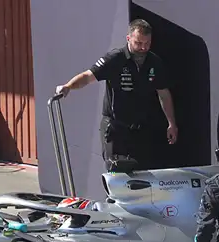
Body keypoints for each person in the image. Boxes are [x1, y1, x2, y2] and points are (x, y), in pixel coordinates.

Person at [55, 19, 177, 171]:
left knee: (142, 175)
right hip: (115, 128)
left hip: (140, 129)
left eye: (147, 43)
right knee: (117, 173)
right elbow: (88, 76)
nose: (143, 48)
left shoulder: (154, 62)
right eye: (138, 43)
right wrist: (68, 86)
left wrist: (171, 123)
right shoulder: (115, 58)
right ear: (128, 39)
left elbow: (163, 93)